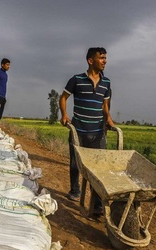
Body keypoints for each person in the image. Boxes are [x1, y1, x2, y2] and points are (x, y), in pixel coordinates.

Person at [59, 47, 115, 215]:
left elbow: (105, 106)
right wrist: (64, 115)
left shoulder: (107, 83)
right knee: (76, 163)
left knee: (98, 168)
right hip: (78, 129)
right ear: (91, 61)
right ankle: (75, 190)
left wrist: (109, 120)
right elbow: (63, 97)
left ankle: (97, 204)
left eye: (106, 58)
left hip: (98, 131)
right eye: (101, 58)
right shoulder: (76, 80)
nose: (105, 61)